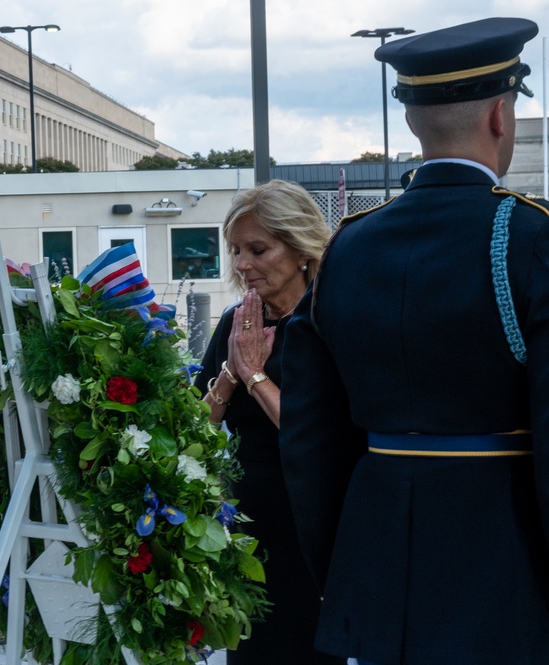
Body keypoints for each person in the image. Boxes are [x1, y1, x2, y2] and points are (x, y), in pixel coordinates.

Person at [280, 18, 549, 665]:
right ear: (500, 115)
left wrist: (346, 582)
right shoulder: (539, 237)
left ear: (412, 121)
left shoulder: (349, 244)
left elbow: (309, 441)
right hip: (504, 589)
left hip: (377, 594)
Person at [194, 179, 338, 664]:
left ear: (300, 249)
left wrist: (255, 374)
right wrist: (232, 373)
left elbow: (317, 434)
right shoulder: (241, 322)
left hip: (313, 521)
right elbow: (198, 429)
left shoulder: (330, 321)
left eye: (258, 249)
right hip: (249, 523)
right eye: (236, 250)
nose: (241, 264)